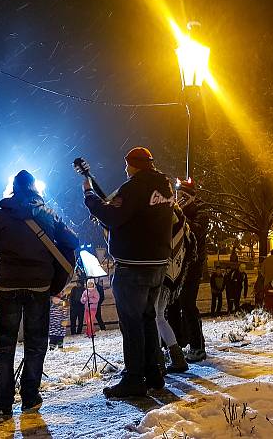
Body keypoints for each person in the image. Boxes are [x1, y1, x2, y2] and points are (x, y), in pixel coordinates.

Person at [0, 170, 79, 419]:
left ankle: (2, 402)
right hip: (39, 286)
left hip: (9, 287)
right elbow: (72, 241)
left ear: (13, 189)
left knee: (5, 345)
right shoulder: (48, 215)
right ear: (34, 189)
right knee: (35, 344)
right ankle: (30, 396)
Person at [83, 147, 173, 398]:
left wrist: (89, 196)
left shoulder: (134, 187)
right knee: (146, 319)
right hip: (157, 264)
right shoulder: (165, 188)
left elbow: (113, 217)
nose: (125, 169)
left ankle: (134, 379)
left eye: (127, 165)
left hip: (133, 265)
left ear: (135, 165)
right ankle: (154, 374)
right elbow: (135, 218)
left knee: (132, 323)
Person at [155, 203, 195, 374]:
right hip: (169, 278)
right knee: (159, 318)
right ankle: (176, 358)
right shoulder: (182, 224)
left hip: (160, 276)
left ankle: (158, 363)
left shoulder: (168, 221)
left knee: (154, 318)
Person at [174, 178, 208, 363]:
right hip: (178, 266)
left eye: (182, 195)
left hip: (193, 266)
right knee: (176, 306)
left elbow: (195, 231)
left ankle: (198, 346)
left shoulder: (201, 213)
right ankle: (180, 343)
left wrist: (181, 215)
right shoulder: (179, 213)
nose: (178, 198)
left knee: (188, 304)